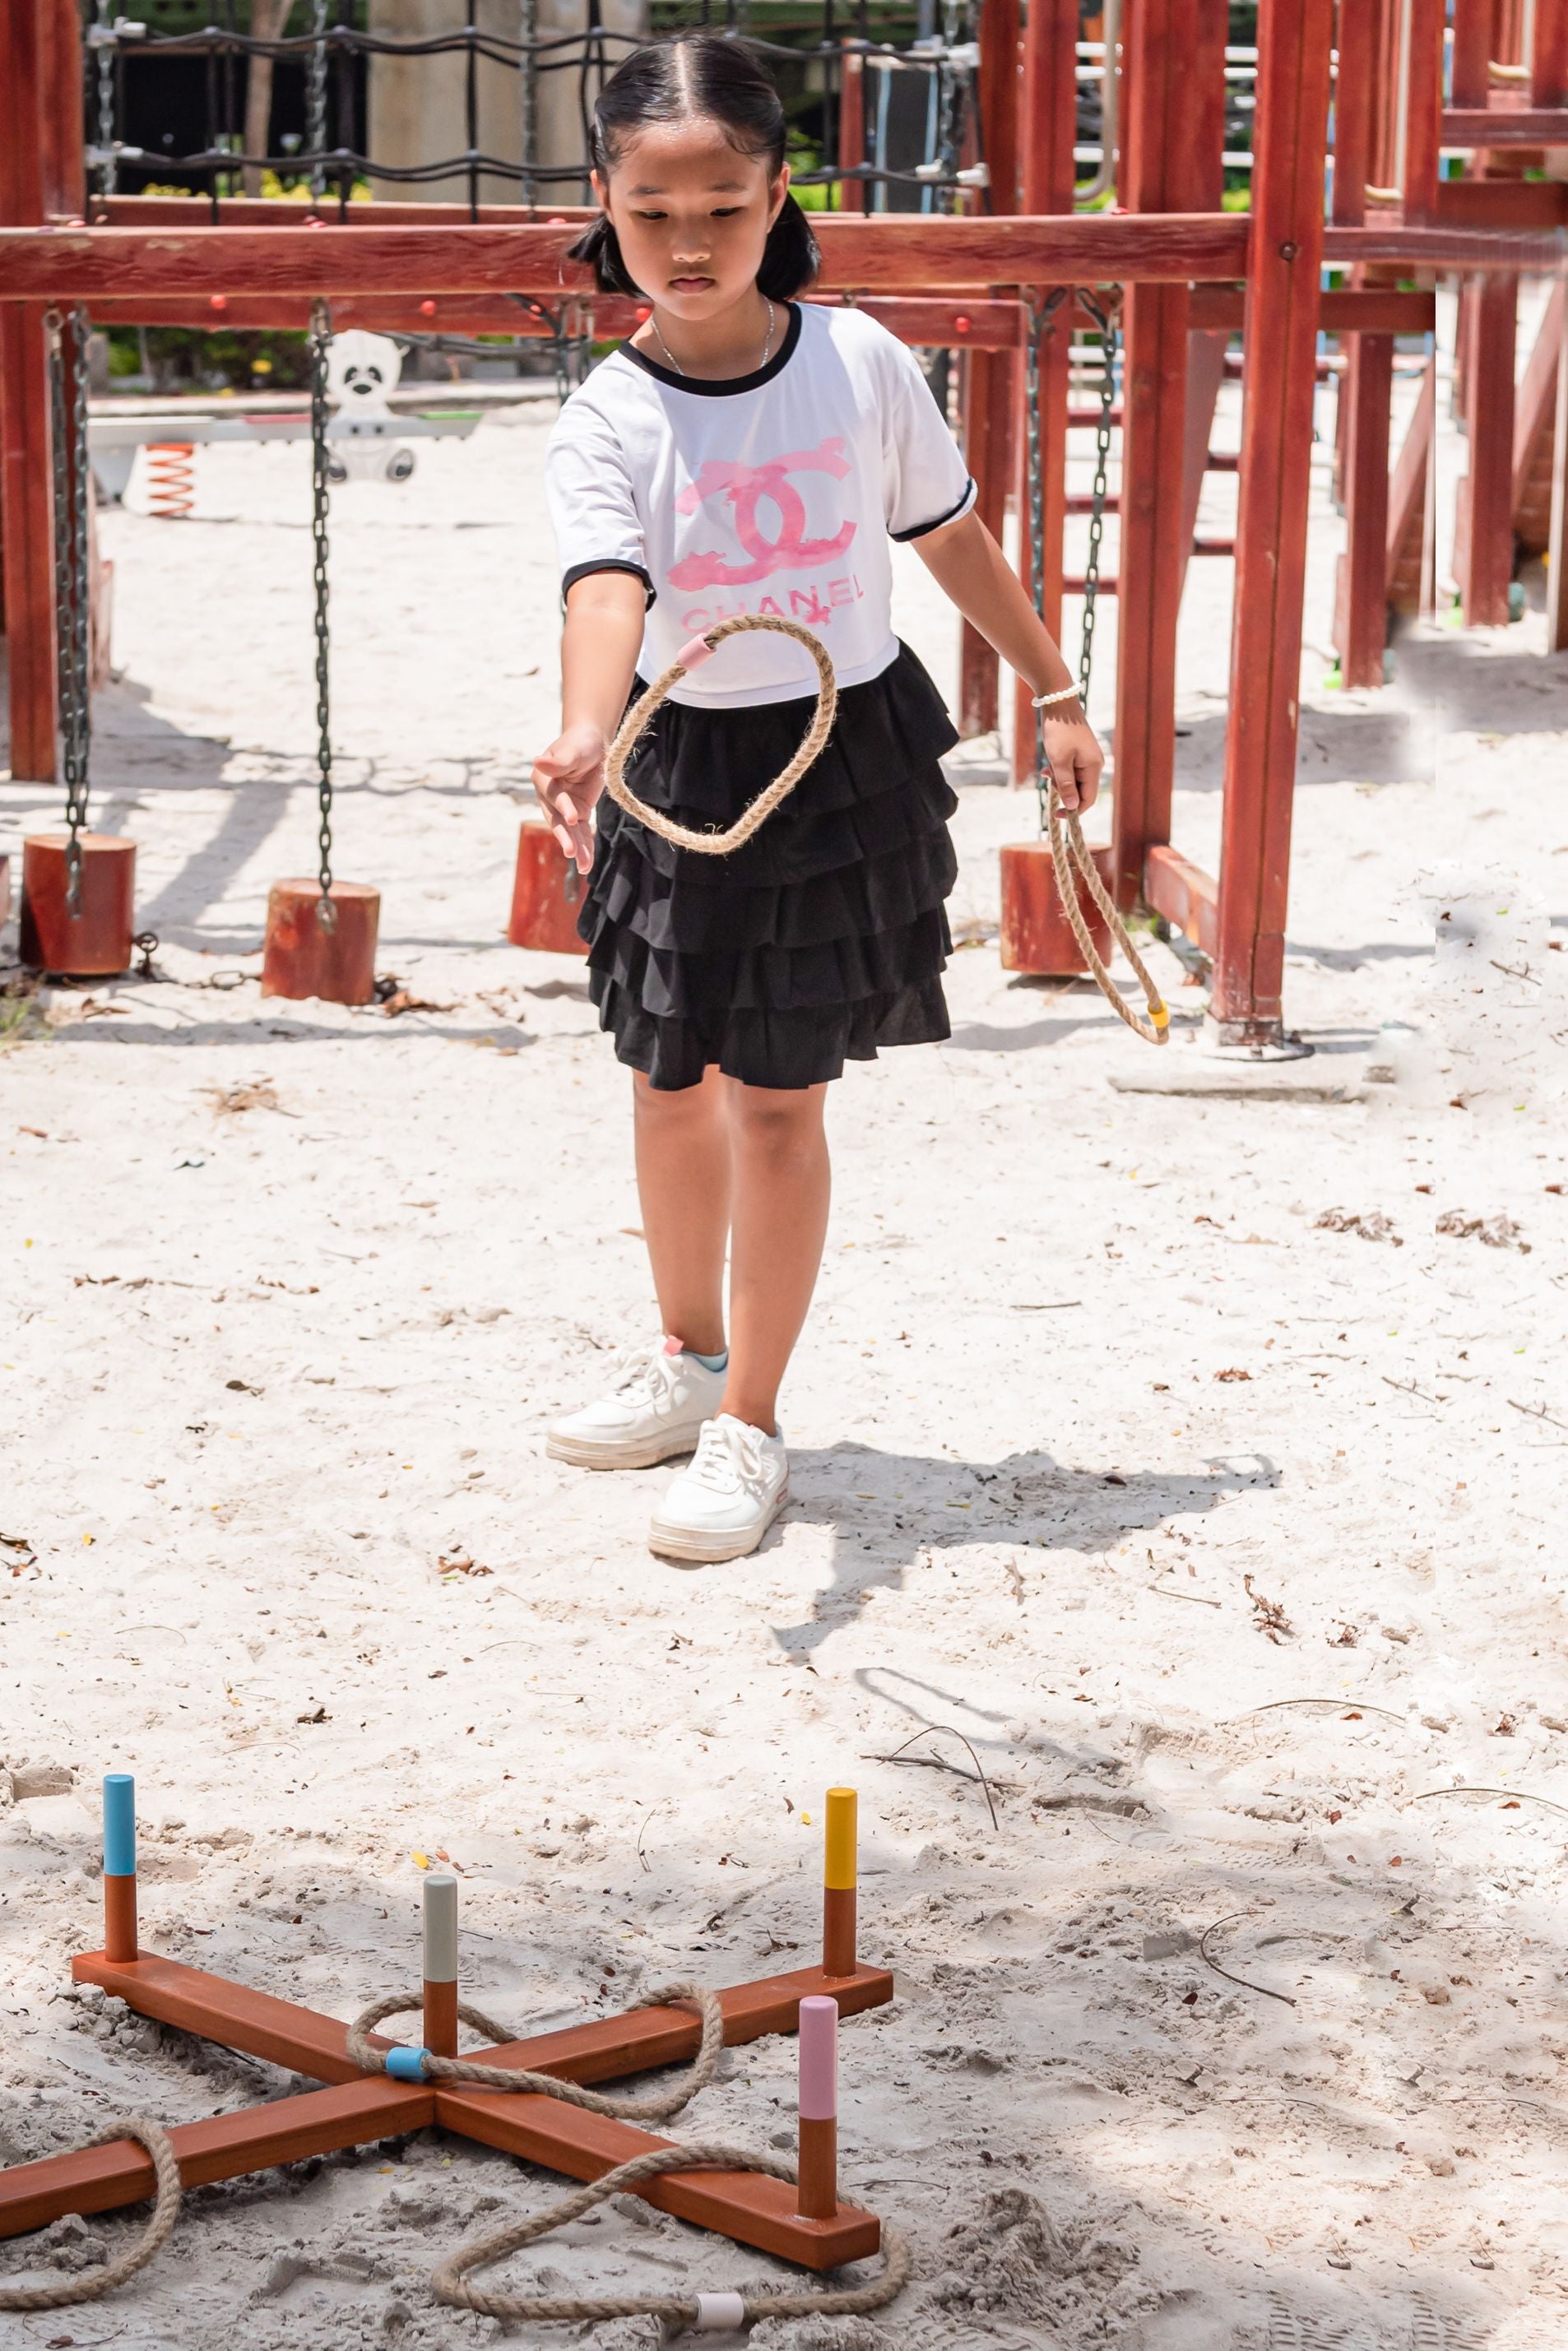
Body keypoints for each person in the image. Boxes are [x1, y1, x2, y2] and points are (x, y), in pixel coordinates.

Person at [536, 30, 1104, 1565]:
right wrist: (588, 727)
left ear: (776, 192)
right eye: (653, 212)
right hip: (670, 762)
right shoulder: (606, 411)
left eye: (721, 204)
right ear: (606, 200)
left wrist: (1052, 691)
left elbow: (951, 534)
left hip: (833, 754)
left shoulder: (856, 360)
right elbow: (605, 586)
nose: (688, 243)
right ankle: (687, 1354)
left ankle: (752, 1423)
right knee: (664, 1084)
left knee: (778, 1101)